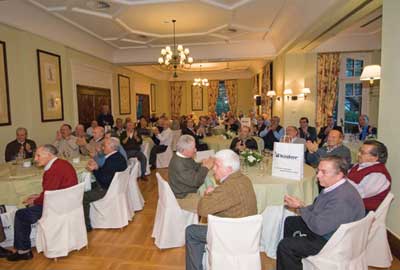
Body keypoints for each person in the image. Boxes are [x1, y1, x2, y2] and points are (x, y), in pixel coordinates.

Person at [276, 156, 365, 270]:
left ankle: (291, 256)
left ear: (339, 174)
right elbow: (317, 207)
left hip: (333, 241)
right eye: (318, 171)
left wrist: (301, 208)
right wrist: (301, 207)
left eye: (324, 172)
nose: (318, 175)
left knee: (285, 246)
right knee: (291, 222)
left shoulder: (341, 199)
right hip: (330, 228)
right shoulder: (336, 186)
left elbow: (319, 228)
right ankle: (292, 261)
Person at [185, 149, 257, 270]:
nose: (213, 169)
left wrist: (208, 194)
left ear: (229, 169)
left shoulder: (227, 188)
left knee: (191, 231)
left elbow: (202, 210)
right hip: (247, 233)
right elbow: (230, 198)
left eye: (217, 166)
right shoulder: (244, 179)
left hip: (231, 236)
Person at [7, 145, 78, 261]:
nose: (35, 159)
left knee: (20, 215)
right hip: (67, 202)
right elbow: (52, 191)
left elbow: (49, 195)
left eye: (38, 156)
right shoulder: (62, 164)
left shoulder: (53, 170)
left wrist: (35, 200)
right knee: (31, 202)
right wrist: (38, 197)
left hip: (56, 207)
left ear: (49, 155)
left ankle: (23, 251)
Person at [83, 137, 127, 231]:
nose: (102, 148)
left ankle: (86, 225)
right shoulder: (118, 157)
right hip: (114, 187)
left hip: (106, 189)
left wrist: (94, 170)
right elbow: (107, 173)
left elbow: (103, 181)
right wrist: (97, 168)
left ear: (112, 147)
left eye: (104, 146)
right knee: (87, 186)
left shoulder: (112, 160)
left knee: (83, 196)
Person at [348, 140, 391, 212]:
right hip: (350, 206)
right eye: (359, 151)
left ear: (375, 157)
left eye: (362, 153)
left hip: (363, 212)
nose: (358, 154)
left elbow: (359, 193)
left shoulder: (379, 175)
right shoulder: (358, 166)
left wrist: (341, 178)